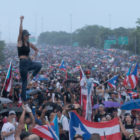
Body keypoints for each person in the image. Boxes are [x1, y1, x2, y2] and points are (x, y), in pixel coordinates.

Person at [17, 16, 42, 103]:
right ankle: (24, 100)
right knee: (24, 83)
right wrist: (21, 21)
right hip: (23, 63)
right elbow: (20, 32)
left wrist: (33, 56)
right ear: (23, 36)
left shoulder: (29, 43)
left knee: (39, 65)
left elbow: (36, 50)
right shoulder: (19, 42)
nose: (27, 36)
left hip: (29, 61)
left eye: (28, 35)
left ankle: (31, 77)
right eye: (26, 35)